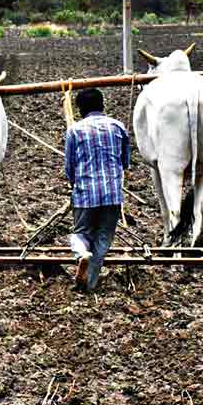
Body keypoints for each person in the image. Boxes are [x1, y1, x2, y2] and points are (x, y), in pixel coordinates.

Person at [63, 87, 130, 291]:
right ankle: (90, 283)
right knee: (103, 238)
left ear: (80, 109)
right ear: (102, 105)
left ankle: (82, 254)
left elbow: (69, 167)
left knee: (80, 233)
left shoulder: (75, 130)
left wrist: (74, 184)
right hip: (112, 195)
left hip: (85, 194)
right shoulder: (118, 127)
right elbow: (125, 162)